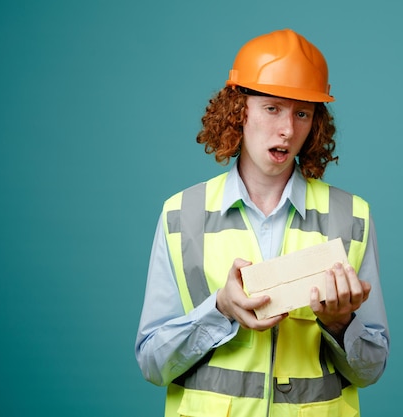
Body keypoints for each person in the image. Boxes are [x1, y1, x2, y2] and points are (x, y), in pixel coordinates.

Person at [135, 28, 389, 417]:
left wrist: (340, 324)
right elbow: (153, 364)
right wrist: (219, 309)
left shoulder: (351, 217)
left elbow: (370, 371)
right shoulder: (180, 215)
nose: (288, 129)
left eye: (302, 113)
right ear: (239, 111)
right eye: (272, 107)